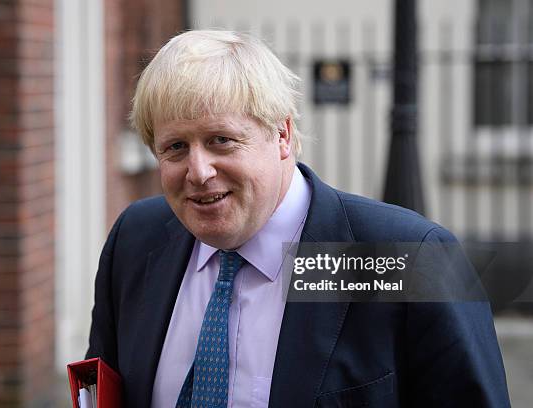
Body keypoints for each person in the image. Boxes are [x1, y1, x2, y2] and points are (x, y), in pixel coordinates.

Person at [86, 30, 509, 407]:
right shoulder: (137, 239)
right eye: (176, 147)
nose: (198, 172)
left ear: (283, 135)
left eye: (221, 140)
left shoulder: (404, 257)